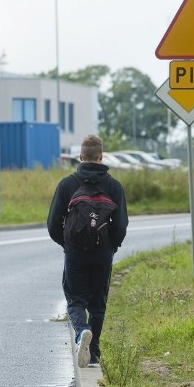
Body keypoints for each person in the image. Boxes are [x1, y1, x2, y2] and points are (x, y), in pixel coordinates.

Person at [47, 135, 128, 368]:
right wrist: (111, 246)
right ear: (101, 157)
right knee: (98, 303)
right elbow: (121, 225)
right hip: (103, 252)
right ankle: (93, 354)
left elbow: (53, 224)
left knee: (75, 298)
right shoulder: (114, 186)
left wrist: (67, 244)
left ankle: (82, 331)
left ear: (81, 157)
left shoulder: (67, 184)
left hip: (75, 252)